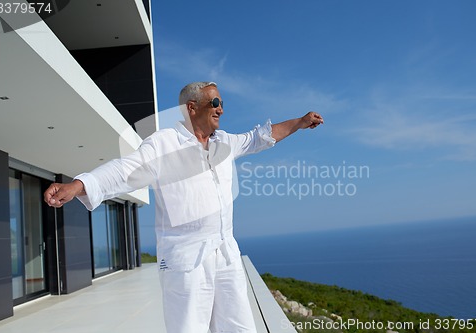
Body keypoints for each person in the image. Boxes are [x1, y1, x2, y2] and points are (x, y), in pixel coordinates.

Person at [44, 81, 324, 333]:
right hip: (186, 260)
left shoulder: (224, 142)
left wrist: (299, 122)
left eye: (222, 104)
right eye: (215, 103)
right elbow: (124, 171)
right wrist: (78, 185)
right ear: (192, 108)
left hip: (225, 254)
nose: (221, 110)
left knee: (241, 328)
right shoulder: (164, 144)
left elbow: (259, 137)